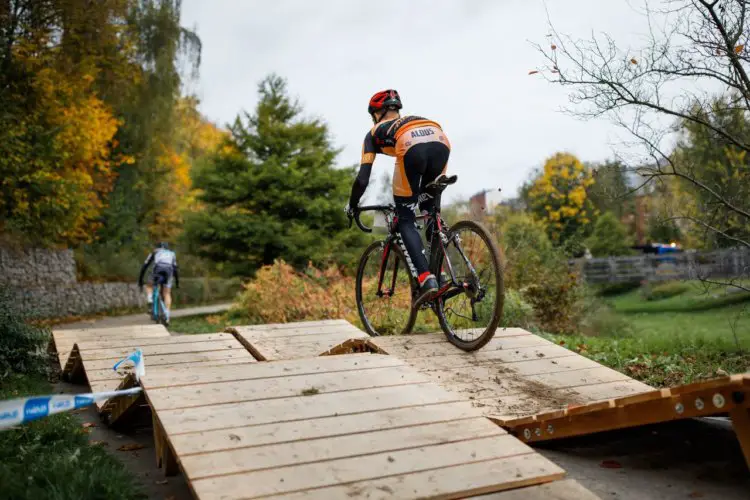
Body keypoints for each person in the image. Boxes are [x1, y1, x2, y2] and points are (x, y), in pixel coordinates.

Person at [346, 89, 451, 306]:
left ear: (377, 113)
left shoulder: (374, 133)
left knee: (405, 218)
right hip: (441, 139)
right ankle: (440, 274)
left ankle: (426, 279)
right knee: (429, 210)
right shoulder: (407, 121)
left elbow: (362, 179)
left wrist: (353, 204)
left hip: (410, 145)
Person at [138, 242, 179, 323]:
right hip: (168, 271)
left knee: (149, 285)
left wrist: (140, 280)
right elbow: (175, 269)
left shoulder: (155, 251)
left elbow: (145, 266)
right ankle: (167, 315)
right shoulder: (172, 254)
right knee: (167, 293)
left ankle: (150, 299)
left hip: (158, 269)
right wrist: (177, 282)